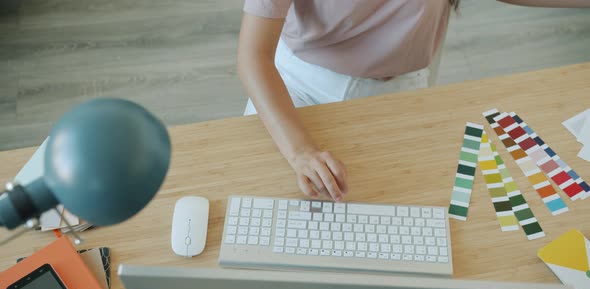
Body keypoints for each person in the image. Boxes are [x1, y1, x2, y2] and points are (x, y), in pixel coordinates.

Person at [237, 0, 590, 202]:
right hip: (298, 85)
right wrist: (300, 152)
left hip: (397, 93)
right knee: (275, 218)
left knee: (398, 226)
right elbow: (252, 56)